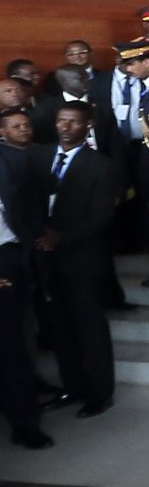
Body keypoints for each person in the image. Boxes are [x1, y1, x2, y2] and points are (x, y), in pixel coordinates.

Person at [37, 102, 120, 417]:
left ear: (87, 126)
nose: (65, 127)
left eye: (73, 122)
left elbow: (101, 217)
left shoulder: (101, 165)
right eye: (61, 121)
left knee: (89, 328)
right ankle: (72, 387)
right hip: (45, 256)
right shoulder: (39, 156)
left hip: (82, 257)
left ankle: (100, 393)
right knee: (59, 328)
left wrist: (61, 237)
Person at [1, 144, 52, 448]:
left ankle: (24, 424)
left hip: (7, 256)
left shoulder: (16, 160)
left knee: (11, 347)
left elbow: (33, 212)